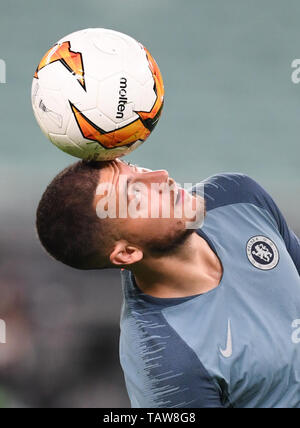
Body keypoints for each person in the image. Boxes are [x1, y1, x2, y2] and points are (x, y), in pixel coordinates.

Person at [36, 158, 300, 408]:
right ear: (127, 252)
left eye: (137, 167)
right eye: (136, 194)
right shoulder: (164, 362)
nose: (161, 177)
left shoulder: (237, 196)